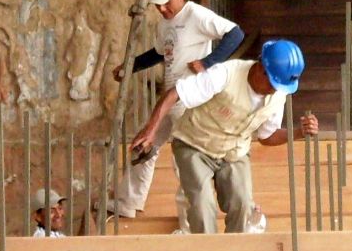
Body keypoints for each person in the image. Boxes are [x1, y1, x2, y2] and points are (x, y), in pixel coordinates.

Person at [130, 38, 317, 234]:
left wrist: (298, 133)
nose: (275, 90)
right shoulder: (226, 74)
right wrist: (149, 131)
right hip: (194, 144)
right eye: (273, 83)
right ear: (261, 68)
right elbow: (175, 93)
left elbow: (266, 136)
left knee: (243, 205)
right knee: (203, 207)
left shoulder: (278, 96)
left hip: (234, 152)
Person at [111, 0, 245, 219]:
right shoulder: (164, 24)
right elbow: (160, 53)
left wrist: (208, 61)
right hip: (169, 98)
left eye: (167, 3)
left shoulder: (195, 14)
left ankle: (189, 221)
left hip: (191, 99)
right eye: (158, 5)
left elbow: (235, 33)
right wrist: (130, 66)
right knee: (143, 143)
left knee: (185, 160)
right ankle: (128, 202)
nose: (162, 9)